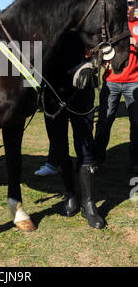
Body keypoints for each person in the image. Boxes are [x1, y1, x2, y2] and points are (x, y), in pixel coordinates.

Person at [35, 33, 105, 229]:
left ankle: (88, 205)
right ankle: (71, 195)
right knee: (59, 146)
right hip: (52, 92)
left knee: (85, 147)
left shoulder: (82, 17)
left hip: (80, 89)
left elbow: (101, 42)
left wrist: (93, 61)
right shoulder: (45, 21)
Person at [94, 0, 138, 173]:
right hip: (111, 81)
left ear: (136, 6)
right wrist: (102, 61)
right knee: (104, 122)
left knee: (136, 124)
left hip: (134, 82)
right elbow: (99, 49)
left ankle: (135, 162)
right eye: (125, 3)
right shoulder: (112, 26)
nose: (128, 7)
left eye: (131, 3)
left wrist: (135, 44)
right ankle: (97, 159)